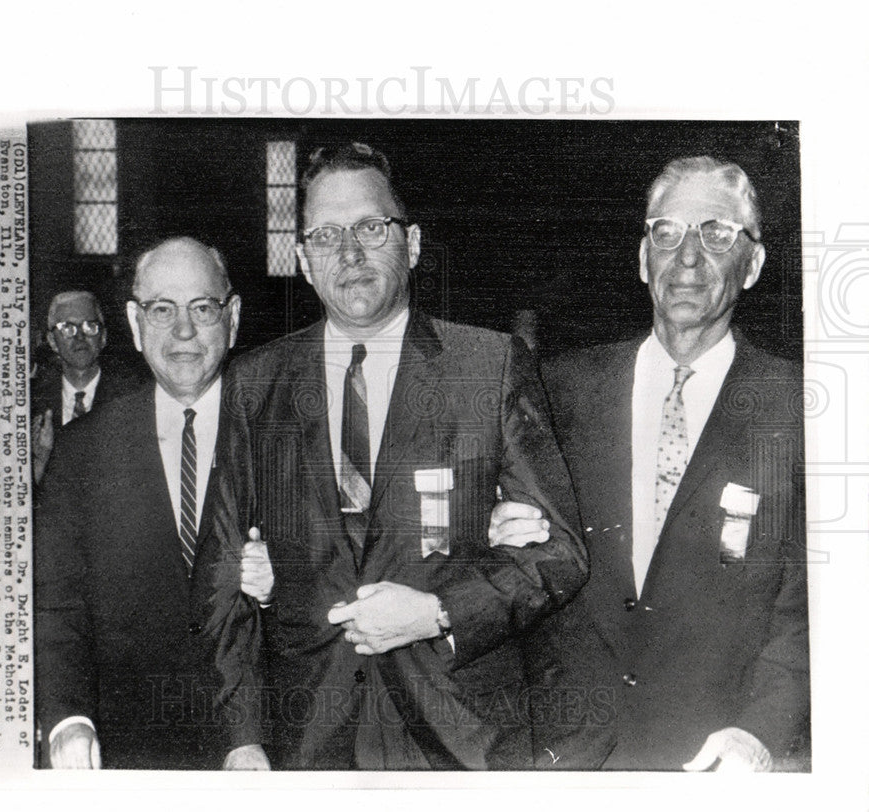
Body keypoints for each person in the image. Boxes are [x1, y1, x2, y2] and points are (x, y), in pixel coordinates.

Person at [206, 143, 587, 770]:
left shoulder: (488, 366)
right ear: (302, 260)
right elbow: (222, 576)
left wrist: (439, 612)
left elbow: (561, 552)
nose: (349, 253)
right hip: (306, 742)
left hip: (459, 740)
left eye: (370, 228)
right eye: (326, 235)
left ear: (410, 245)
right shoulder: (256, 383)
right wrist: (241, 737)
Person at [490, 156, 809, 771]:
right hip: (564, 756)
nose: (688, 257)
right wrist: (497, 527)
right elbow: (507, 571)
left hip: (712, 759)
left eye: (717, 234)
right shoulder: (556, 389)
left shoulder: (799, 408)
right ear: (642, 257)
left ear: (755, 264)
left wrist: (760, 732)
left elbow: (812, 604)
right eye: (667, 231)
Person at [34, 238, 241, 768]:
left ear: (233, 316)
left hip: (267, 754)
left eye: (202, 308)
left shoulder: (283, 438)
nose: (183, 331)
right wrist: (67, 720)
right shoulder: (82, 452)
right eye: (162, 310)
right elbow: (59, 609)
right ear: (133, 321)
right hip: (127, 751)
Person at [30, 290, 139, 483]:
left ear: (103, 337)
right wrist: (40, 462)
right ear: (53, 341)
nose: (79, 337)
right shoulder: (32, 403)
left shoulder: (133, 396)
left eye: (90, 327)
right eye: (67, 328)